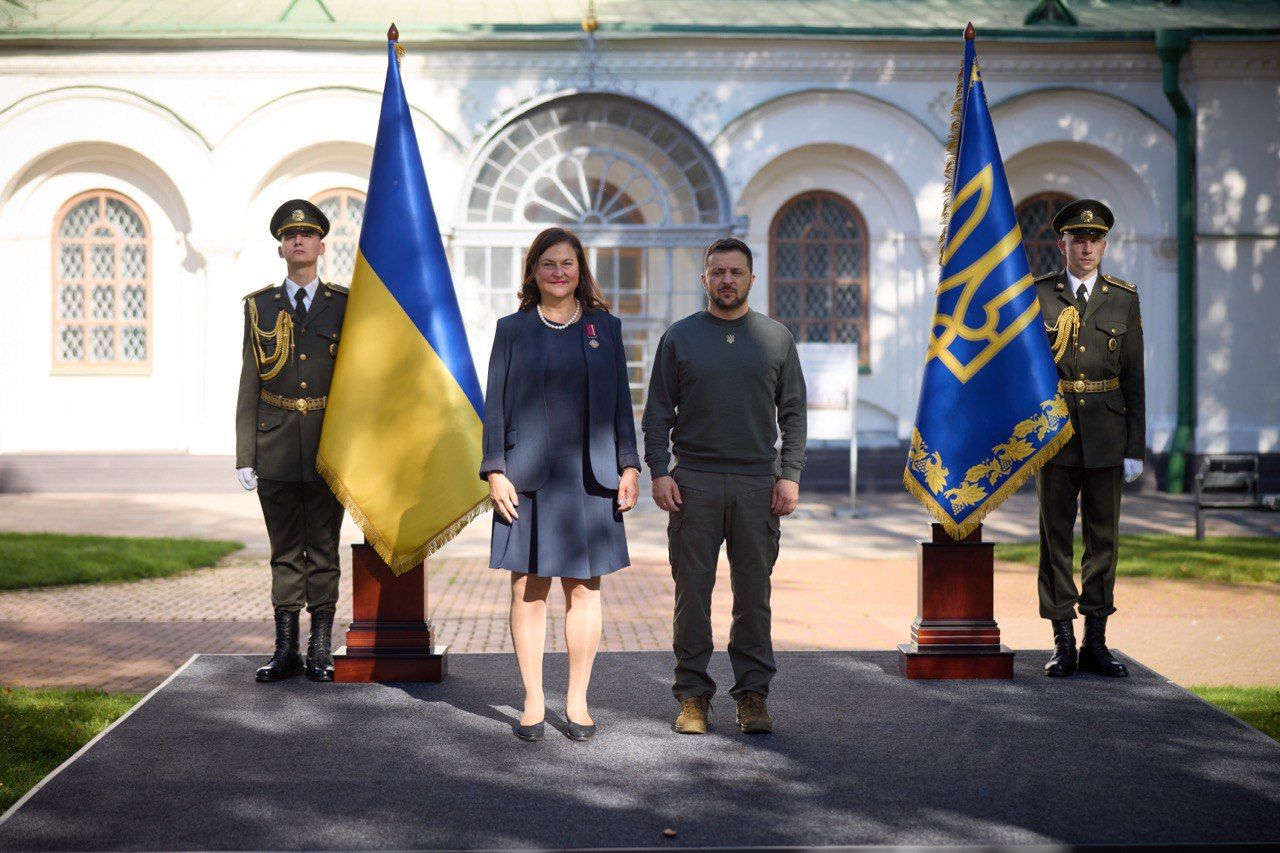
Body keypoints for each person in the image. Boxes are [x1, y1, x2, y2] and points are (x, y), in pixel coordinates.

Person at [479, 226, 640, 742]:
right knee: (528, 589)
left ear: (580, 270)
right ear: (534, 270)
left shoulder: (605, 328)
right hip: (525, 477)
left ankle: (577, 701)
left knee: (584, 589)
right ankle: (532, 699)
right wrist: (495, 469)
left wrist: (630, 465)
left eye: (567, 263)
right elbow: (495, 406)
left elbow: (621, 405)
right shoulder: (512, 329)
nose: (558, 272)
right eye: (548, 263)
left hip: (591, 477)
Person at [642, 237, 807, 735]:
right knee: (692, 594)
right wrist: (659, 470)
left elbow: (794, 412)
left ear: (751, 279)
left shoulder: (776, 338)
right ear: (705, 279)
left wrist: (792, 474)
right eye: (718, 272)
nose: (727, 280)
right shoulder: (680, 338)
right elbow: (657, 414)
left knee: (753, 596)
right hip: (693, 483)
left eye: (736, 272)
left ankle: (753, 696)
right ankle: (693, 697)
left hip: (760, 482)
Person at [235, 199, 348, 684]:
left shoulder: (344, 305)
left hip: (328, 445)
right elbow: (249, 381)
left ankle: (320, 649)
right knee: (284, 550)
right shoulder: (260, 305)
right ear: (281, 248)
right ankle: (286, 651)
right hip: (276, 444)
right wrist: (245, 452)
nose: (298, 241)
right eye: (289, 235)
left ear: (322, 246)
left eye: (307, 234)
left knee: (323, 548)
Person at [1033, 198, 1145, 678]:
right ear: (1063, 244)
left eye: (1095, 238)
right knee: (1055, 538)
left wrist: (1134, 447)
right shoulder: (1038, 294)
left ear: (1105, 244)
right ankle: (1062, 641)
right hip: (1057, 434)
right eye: (1078, 239)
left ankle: (1096, 641)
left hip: (1106, 433)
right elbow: (1028, 373)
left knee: (1103, 540)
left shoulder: (1123, 297)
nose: (1087, 246)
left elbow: (1135, 376)